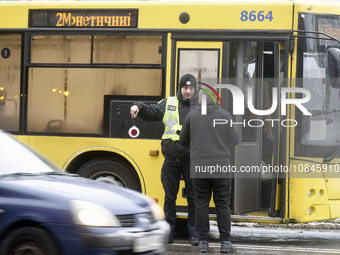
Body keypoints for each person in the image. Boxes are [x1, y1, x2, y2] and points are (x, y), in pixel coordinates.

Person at [130, 74, 199, 246]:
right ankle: (168, 233)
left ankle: (194, 234)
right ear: (180, 88)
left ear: (195, 89)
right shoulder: (169, 103)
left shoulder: (201, 107)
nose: (188, 91)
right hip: (172, 159)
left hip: (191, 159)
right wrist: (138, 105)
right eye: (185, 87)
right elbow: (152, 111)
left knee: (193, 198)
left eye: (190, 88)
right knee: (170, 198)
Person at [180, 87, 240, 253]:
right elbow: (235, 140)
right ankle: (226, 243)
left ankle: (204, 243)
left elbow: (183, 141)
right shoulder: (224, 115)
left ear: (200, 100)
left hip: (199, 166)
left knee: (201, 204)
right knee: (222, 204)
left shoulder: (191, 116)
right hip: (220, 165)